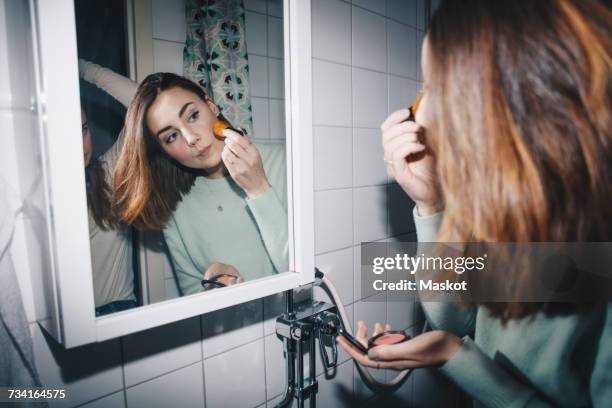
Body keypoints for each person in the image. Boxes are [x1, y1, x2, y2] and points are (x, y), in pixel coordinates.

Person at [338, 0, 612, 406]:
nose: (419, 113)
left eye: (439, 88)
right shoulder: (503, 203)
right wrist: (430, 206)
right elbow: (459, 319)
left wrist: (456, 357)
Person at [107, 72, 288, 295]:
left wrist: (259, 188)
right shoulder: (175, 207)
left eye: (193, 115)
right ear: (165, 151)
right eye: (171, 137)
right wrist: (211, 282)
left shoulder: (285, 161)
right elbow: (194, 303)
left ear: (211, 106)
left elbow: (308, 273)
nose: (191, 138)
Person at [81, 108, 137, 316]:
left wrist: (85, 73)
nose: (81, 144)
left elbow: (142, 102)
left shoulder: (107, 173)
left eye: (84, 130)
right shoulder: (45, 197)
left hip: (119, 308)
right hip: (73, 321)